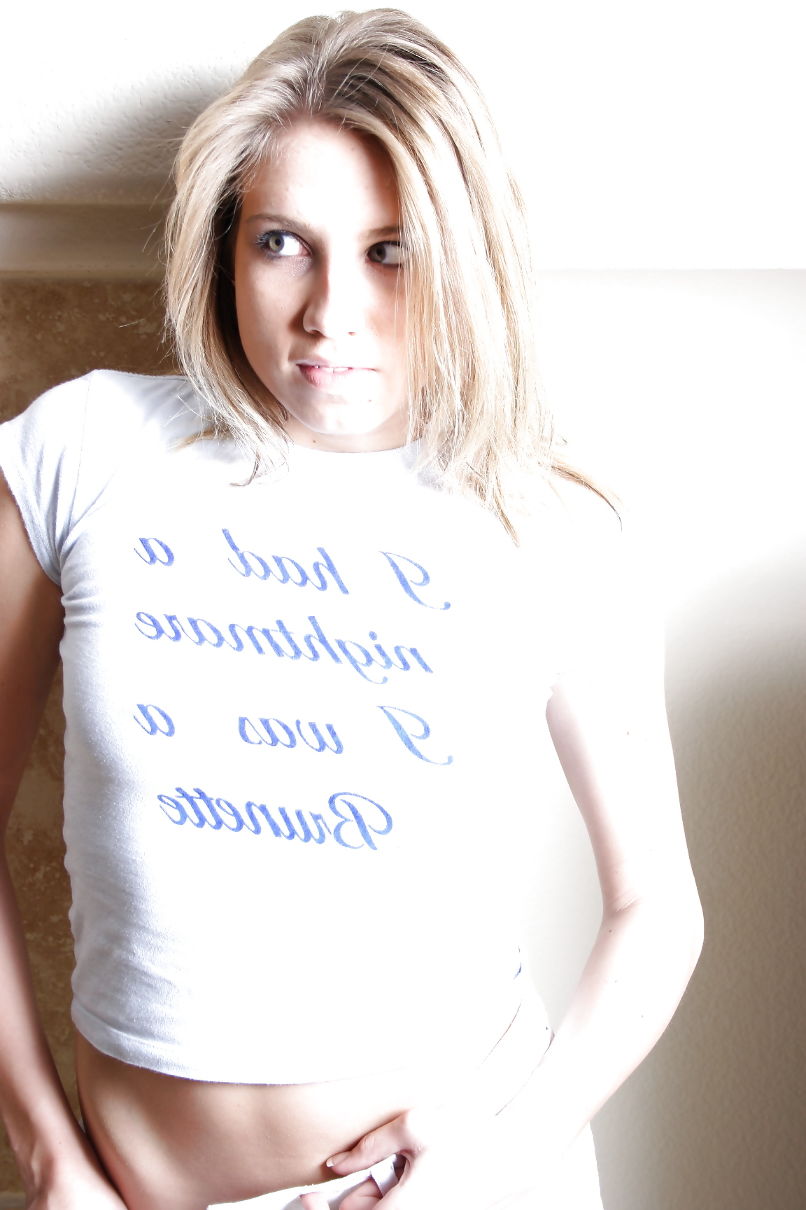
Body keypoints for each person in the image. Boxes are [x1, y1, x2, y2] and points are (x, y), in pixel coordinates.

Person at [0, 9, 703, 1209]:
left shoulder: (546, 519)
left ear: (462, 257)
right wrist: (50, 1154)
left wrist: (501, 1150)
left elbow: (655, 909)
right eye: (283, 242)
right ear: (224, 246)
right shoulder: (84, 449)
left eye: (390, 251)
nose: (330, 311)